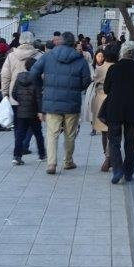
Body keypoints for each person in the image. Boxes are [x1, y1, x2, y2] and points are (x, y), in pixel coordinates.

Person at [29, 31, 92, 174]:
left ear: (61, 41)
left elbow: (33, 74)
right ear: (73, 43)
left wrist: (43, 86)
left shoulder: (48, 56)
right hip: (72, 103)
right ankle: (68, 161)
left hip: (52, 102)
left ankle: (51, 164)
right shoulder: (80, 59)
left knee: (52, 133)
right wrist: (76, 89)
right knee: (70, 134)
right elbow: (86, 81)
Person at [103, 42, 134, 183]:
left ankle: (117, 170)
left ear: (122, 53)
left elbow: (106, 89)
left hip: (115, 108)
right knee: (131, 141)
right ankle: (129, 172)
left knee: (114, 140)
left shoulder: (114, 68)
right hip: (133, 109)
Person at [10, 57, 44, 164]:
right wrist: (40, 110)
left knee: (20, 134)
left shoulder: (19, 77)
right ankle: (42, 154)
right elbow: (39, 96)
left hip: (21, 110)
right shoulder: (37, 79)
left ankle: (17, 156)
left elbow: (14, 93)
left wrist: (20, 102)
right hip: (34, 111)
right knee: (38, 133)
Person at [92, 44, 118, 170]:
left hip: (101, 98)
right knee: (113, 130)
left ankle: (106, 156)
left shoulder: (100, 69)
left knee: (104, 131)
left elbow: (94, 81)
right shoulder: (118, 68)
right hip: (115, 99)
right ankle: (110, 157)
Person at [2, 32, 41, 109]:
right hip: (34, 96)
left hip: (15, 94)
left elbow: (5, 76)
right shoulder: (39, 56)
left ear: (20, 40)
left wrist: (5, 93)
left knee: (16, 120)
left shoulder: (11, 56)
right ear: (32, 40)